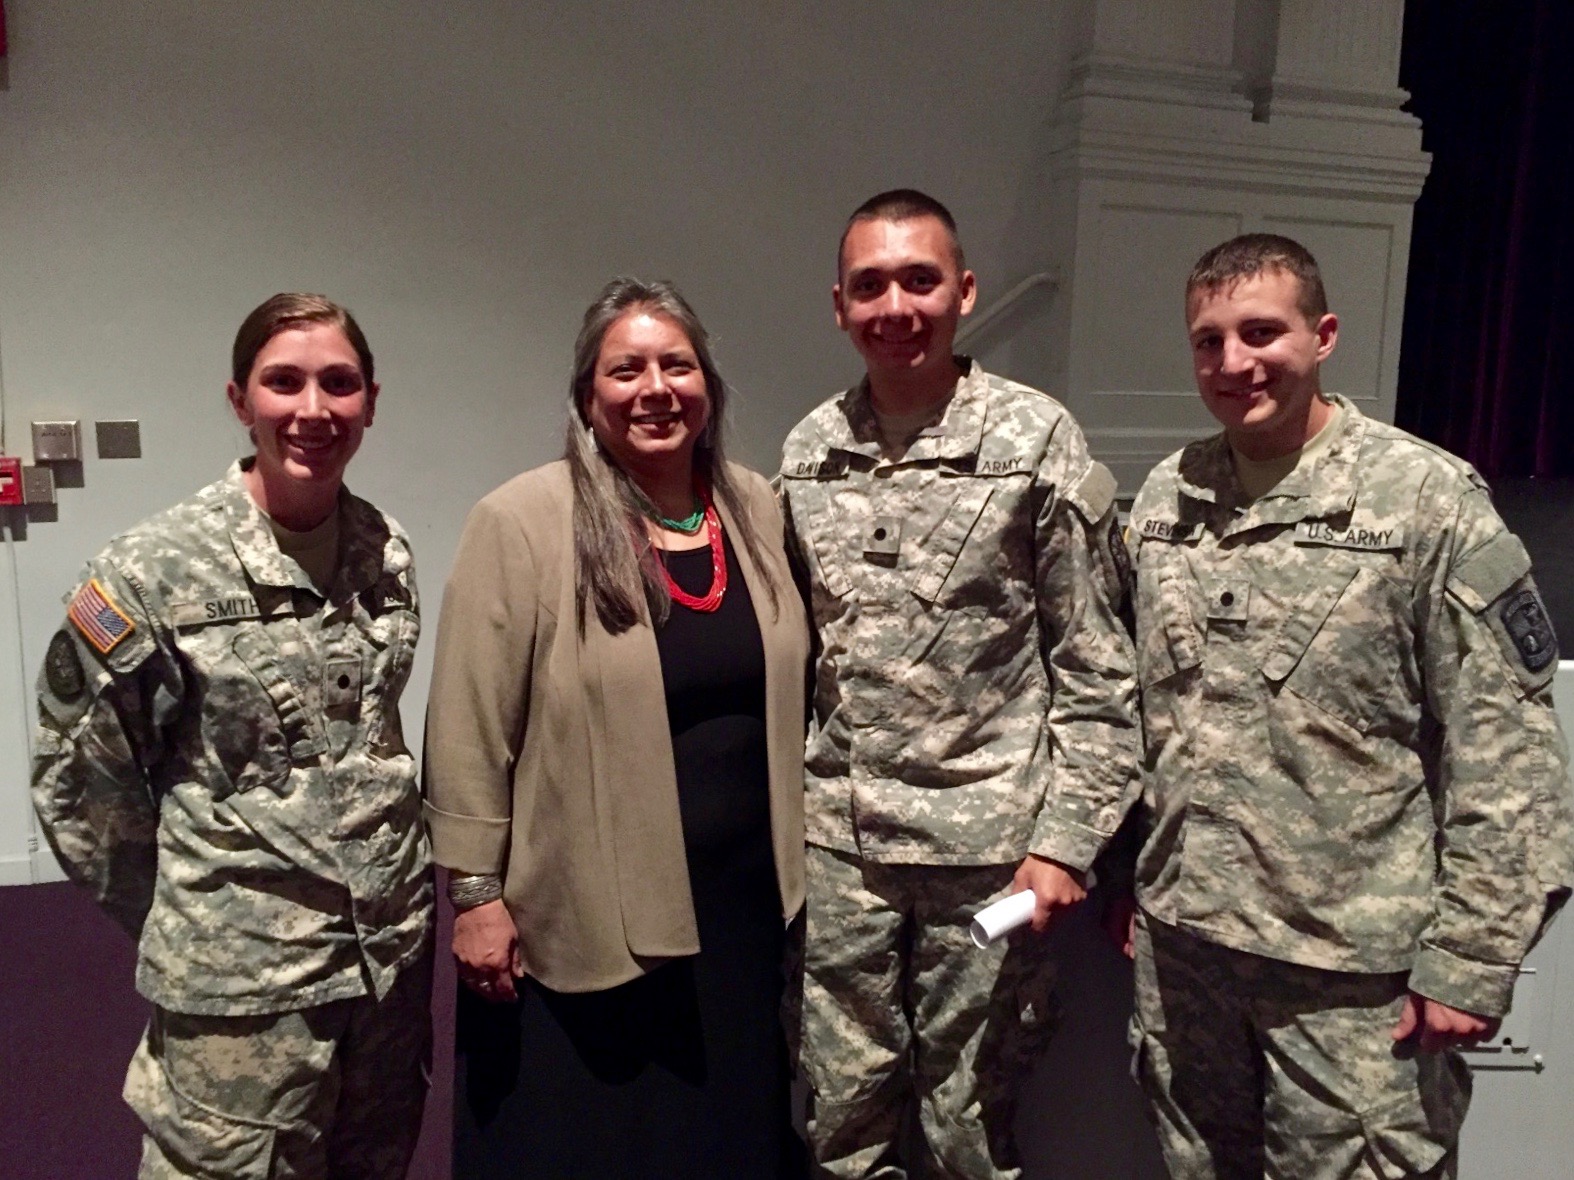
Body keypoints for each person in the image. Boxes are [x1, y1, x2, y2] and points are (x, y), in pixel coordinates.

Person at [1115, 233, 1574, 1178]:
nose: (1234, 363)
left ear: (1321, 335)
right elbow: (1145, 710)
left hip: (1355, 976)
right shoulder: (1170, 496)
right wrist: (1134, 874)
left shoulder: (1423, 500)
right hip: (1188, 957)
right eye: (1209, 340)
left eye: (1260, 332)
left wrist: (1474, 956)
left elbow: (1507, 746)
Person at [777, 189, 1143, 1179]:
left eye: (919, 279)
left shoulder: (1032, 441)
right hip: (845, 854)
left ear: (964, 291)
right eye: (869, 285)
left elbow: (1097, 665)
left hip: (991, 866)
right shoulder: (807, 452)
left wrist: (1067, 845)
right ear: (839, 306)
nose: (895, 303)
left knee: (968, 1118)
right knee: (840, 1114)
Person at [31, 293, 433, 1179]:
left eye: (339, 383)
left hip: (385, 968)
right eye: (282, 383)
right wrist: (196, 910)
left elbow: (373, 737)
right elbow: (77, 781)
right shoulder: (152, 569)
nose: (313, 410)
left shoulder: (384, 549)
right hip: (241, 994)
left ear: (371, 399)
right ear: (239, 399)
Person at [423, 277, 809, 1178]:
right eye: (625, 369)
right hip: (587, 906)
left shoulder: (756, 509)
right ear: (588, 397)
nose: (655, 388)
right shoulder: (522, 521)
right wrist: (476, 896)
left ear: (708, 384)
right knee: (596, 1138)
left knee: (721, 1131)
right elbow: (470, 723)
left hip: (743, 907)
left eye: (677, 364)